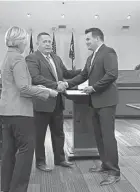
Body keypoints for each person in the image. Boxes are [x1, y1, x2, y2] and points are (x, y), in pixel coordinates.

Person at [60, 28, 120, 185]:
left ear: (98, 39)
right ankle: (106, 164)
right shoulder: (91, 57)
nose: (85, 42)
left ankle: (114, 172)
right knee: (99, 136)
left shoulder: (108, 52)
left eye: (88, 39)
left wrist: (94, 88)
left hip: (106, 101)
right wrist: (67, 83)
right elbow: (83, 76)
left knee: (107, 137)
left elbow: (112, 74)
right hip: (95, 102)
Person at [0, 26, 58, 192]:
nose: (26, 43)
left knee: (8, 154)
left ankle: (6, 188)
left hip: (6, 112)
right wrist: (46, 92)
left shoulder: (7, 57)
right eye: (25, 40)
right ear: (20, 41)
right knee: (25, 154)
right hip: (20, 113)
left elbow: (16, 84)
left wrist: (37, 85)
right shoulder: (18, 58)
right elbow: (23, 88)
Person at [25, 32, 81, 171]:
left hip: (57, 102)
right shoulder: (32, 58)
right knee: (39, 135)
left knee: (59, 133)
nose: (48, 44)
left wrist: (84, 71)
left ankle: (60, 159)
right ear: (37, 44)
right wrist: (56, 85)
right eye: (45, 41)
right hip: (42, 103)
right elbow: (35, 78)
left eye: (50, 41)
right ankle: (40, 162)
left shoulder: (56, 57)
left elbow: (66, 73)